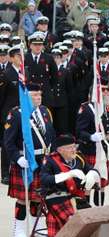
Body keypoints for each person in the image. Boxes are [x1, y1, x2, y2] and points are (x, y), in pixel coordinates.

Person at [4, 83, 56, 237]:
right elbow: (8, 141)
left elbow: (51, 135)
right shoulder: (17, 113)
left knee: (38, 198)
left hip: (43, 161)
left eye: (40, 94)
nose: (39, 98)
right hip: (25, 161)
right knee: (22, 198)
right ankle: (19, 229)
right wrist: (17, 158)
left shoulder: (45, 111)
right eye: (35, 95)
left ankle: (37, 227)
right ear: (26, 96)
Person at [40, 134, 100, 237]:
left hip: (77, 198)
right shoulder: (50, 160)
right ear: (60, 150)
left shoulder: (79, 158)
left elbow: (91, 169)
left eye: (74, 146)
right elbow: (44, 179)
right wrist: (68, 175)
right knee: (74, 222)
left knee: (93, 221)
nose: (74, 150)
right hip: (57, 198)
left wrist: (92, 174)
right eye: (70, 148)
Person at [76, 84, 109, 206]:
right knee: (88, 183)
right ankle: (86, 212)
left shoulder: (107, 108)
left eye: (108, 90)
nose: (106, 92)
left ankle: (100, 210)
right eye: (103, 90)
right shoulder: (86, 108)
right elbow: (79, 131)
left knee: (102, 183)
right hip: (91, 150)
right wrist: (91, 137)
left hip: (104, 149)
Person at [24, 31, 58, 109]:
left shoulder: (48, 58)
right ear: (30, 45)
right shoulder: (25, 58)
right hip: (30, 95)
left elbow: (55, 77)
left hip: (44, 95)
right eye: (35, 44)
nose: (38, 47)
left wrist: (48, 90)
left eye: (40, 44)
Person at [0, 45, 18, 185]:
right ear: (11, 58)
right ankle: (5, 173)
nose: (20, 58)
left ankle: (17, 170)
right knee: (7, 143)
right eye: (18, 56)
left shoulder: (26, 72)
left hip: (22, 113)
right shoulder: (6, 74)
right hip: (9, 114)